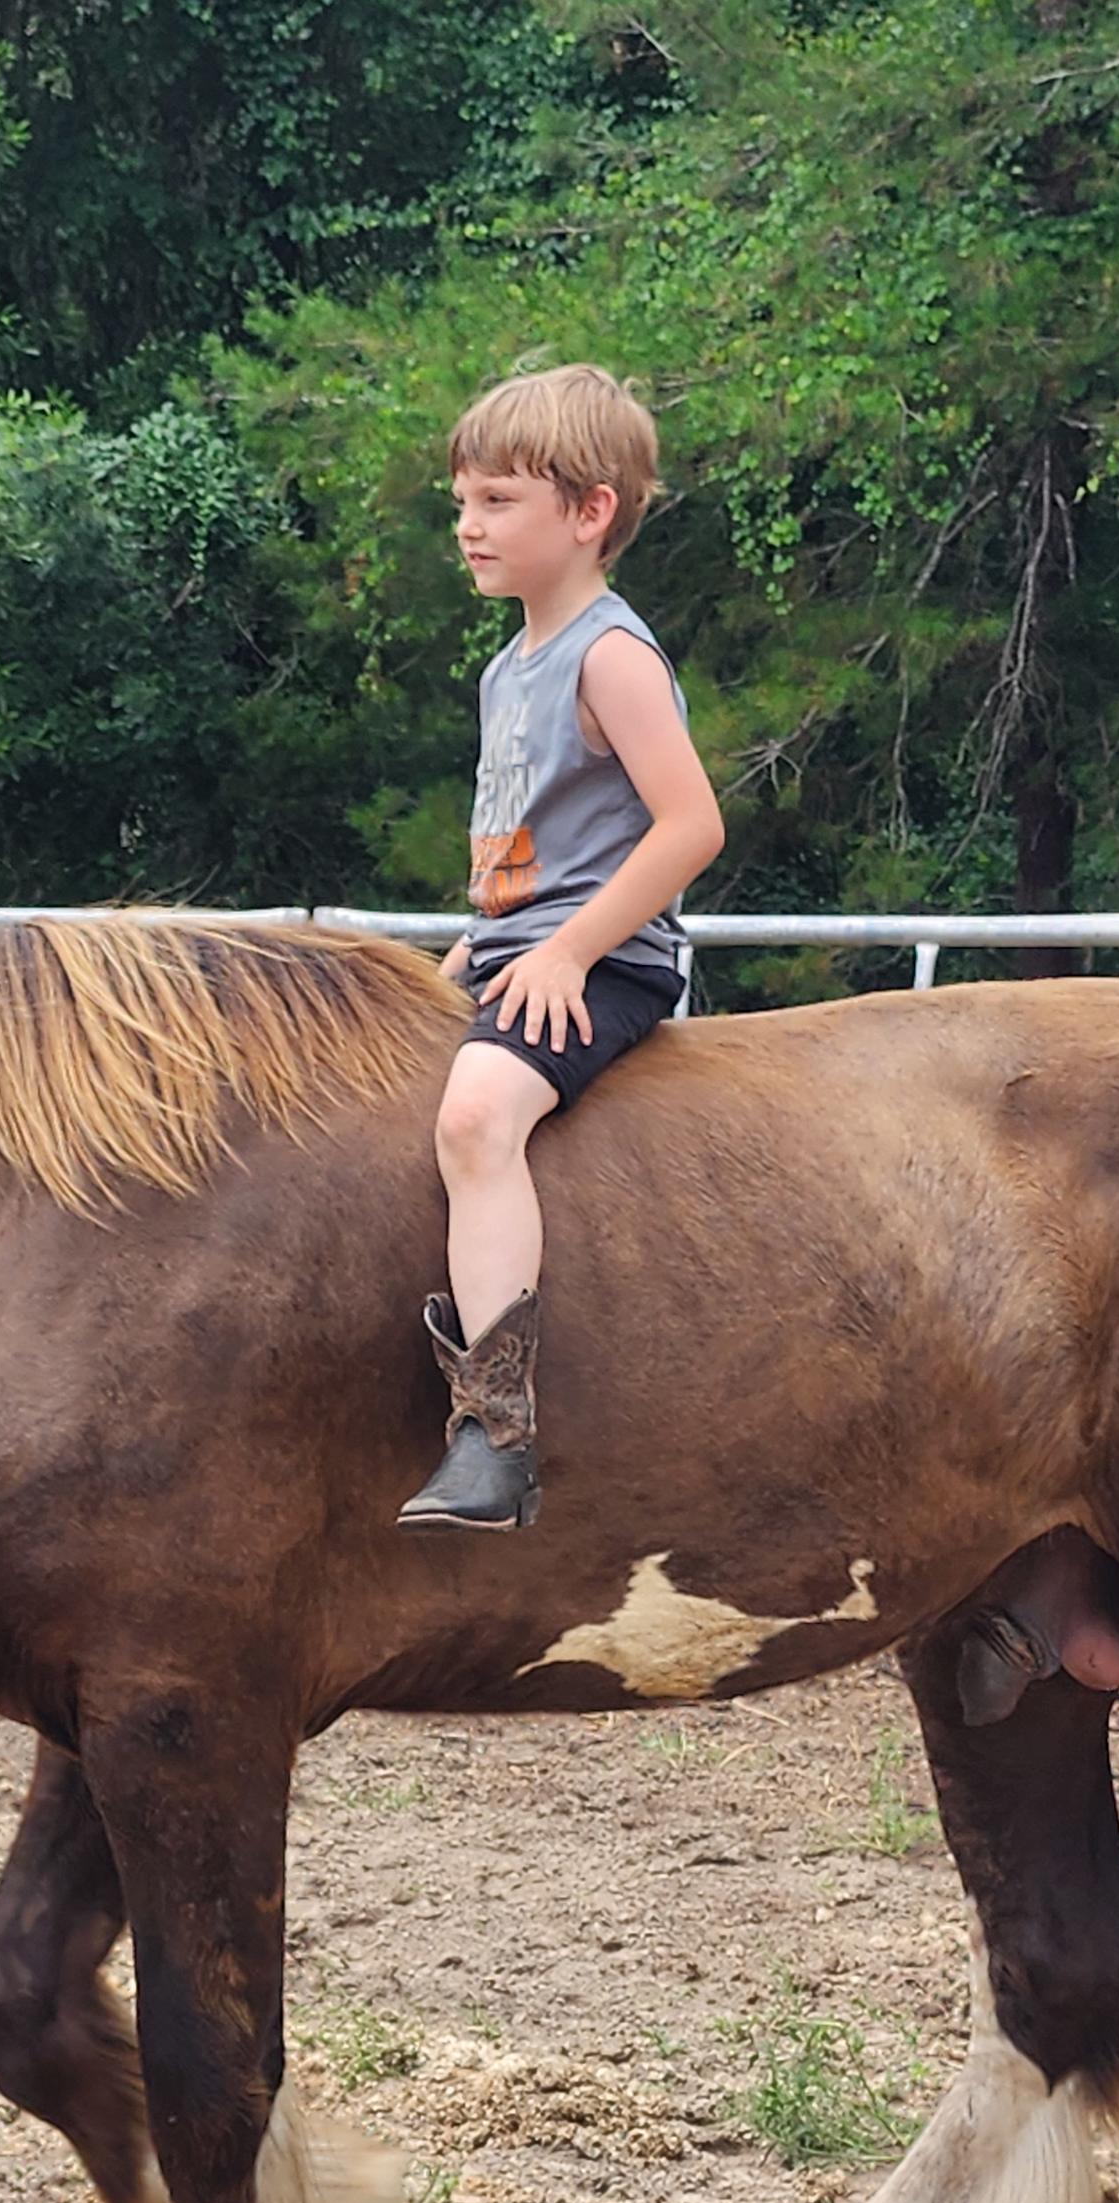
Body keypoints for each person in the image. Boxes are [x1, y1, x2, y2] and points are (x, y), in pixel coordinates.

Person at [400, 363, 725, 1532]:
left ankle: (498, 1431)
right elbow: (525, 855)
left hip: (607, 958)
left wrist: (574, 953)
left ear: (589, 513)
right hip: (518, 946)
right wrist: (466, 949)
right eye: (462, 502)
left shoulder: (609, 656)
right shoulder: (509, 666)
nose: (467, 526)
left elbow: (692, 826)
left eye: (495, 502)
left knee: (479, 1116)